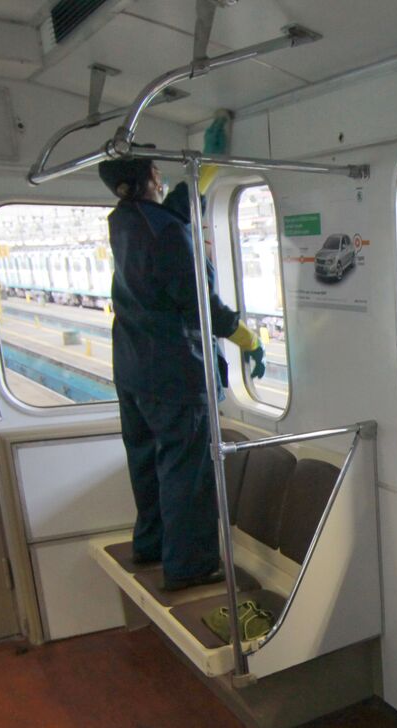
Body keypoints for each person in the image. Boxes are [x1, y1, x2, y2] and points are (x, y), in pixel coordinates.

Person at [101, 156, 266, 591]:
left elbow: (170, 214)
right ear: (149, 180)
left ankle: (152, 545)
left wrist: (203, 170)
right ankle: (189, 566)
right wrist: (247, 338)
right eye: (158, 174)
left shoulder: (126, 221)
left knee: (146, 462)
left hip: (133, 368)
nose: (162, 179)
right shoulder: (167, 232)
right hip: (173, 372)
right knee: (186, 471)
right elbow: (201, 304)